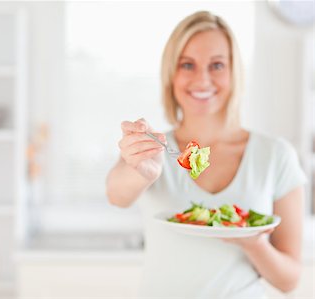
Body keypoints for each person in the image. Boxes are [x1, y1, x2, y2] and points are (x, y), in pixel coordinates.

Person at [106, 11, 307, 299]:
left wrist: (254, 244)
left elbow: (289, 281)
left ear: (234, 72)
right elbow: (117, 195)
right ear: (170, 74)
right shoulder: (154, 151)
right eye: (187, 64)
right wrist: (140, 170)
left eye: (217, 65)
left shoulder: (276, 155)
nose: (202, 80)